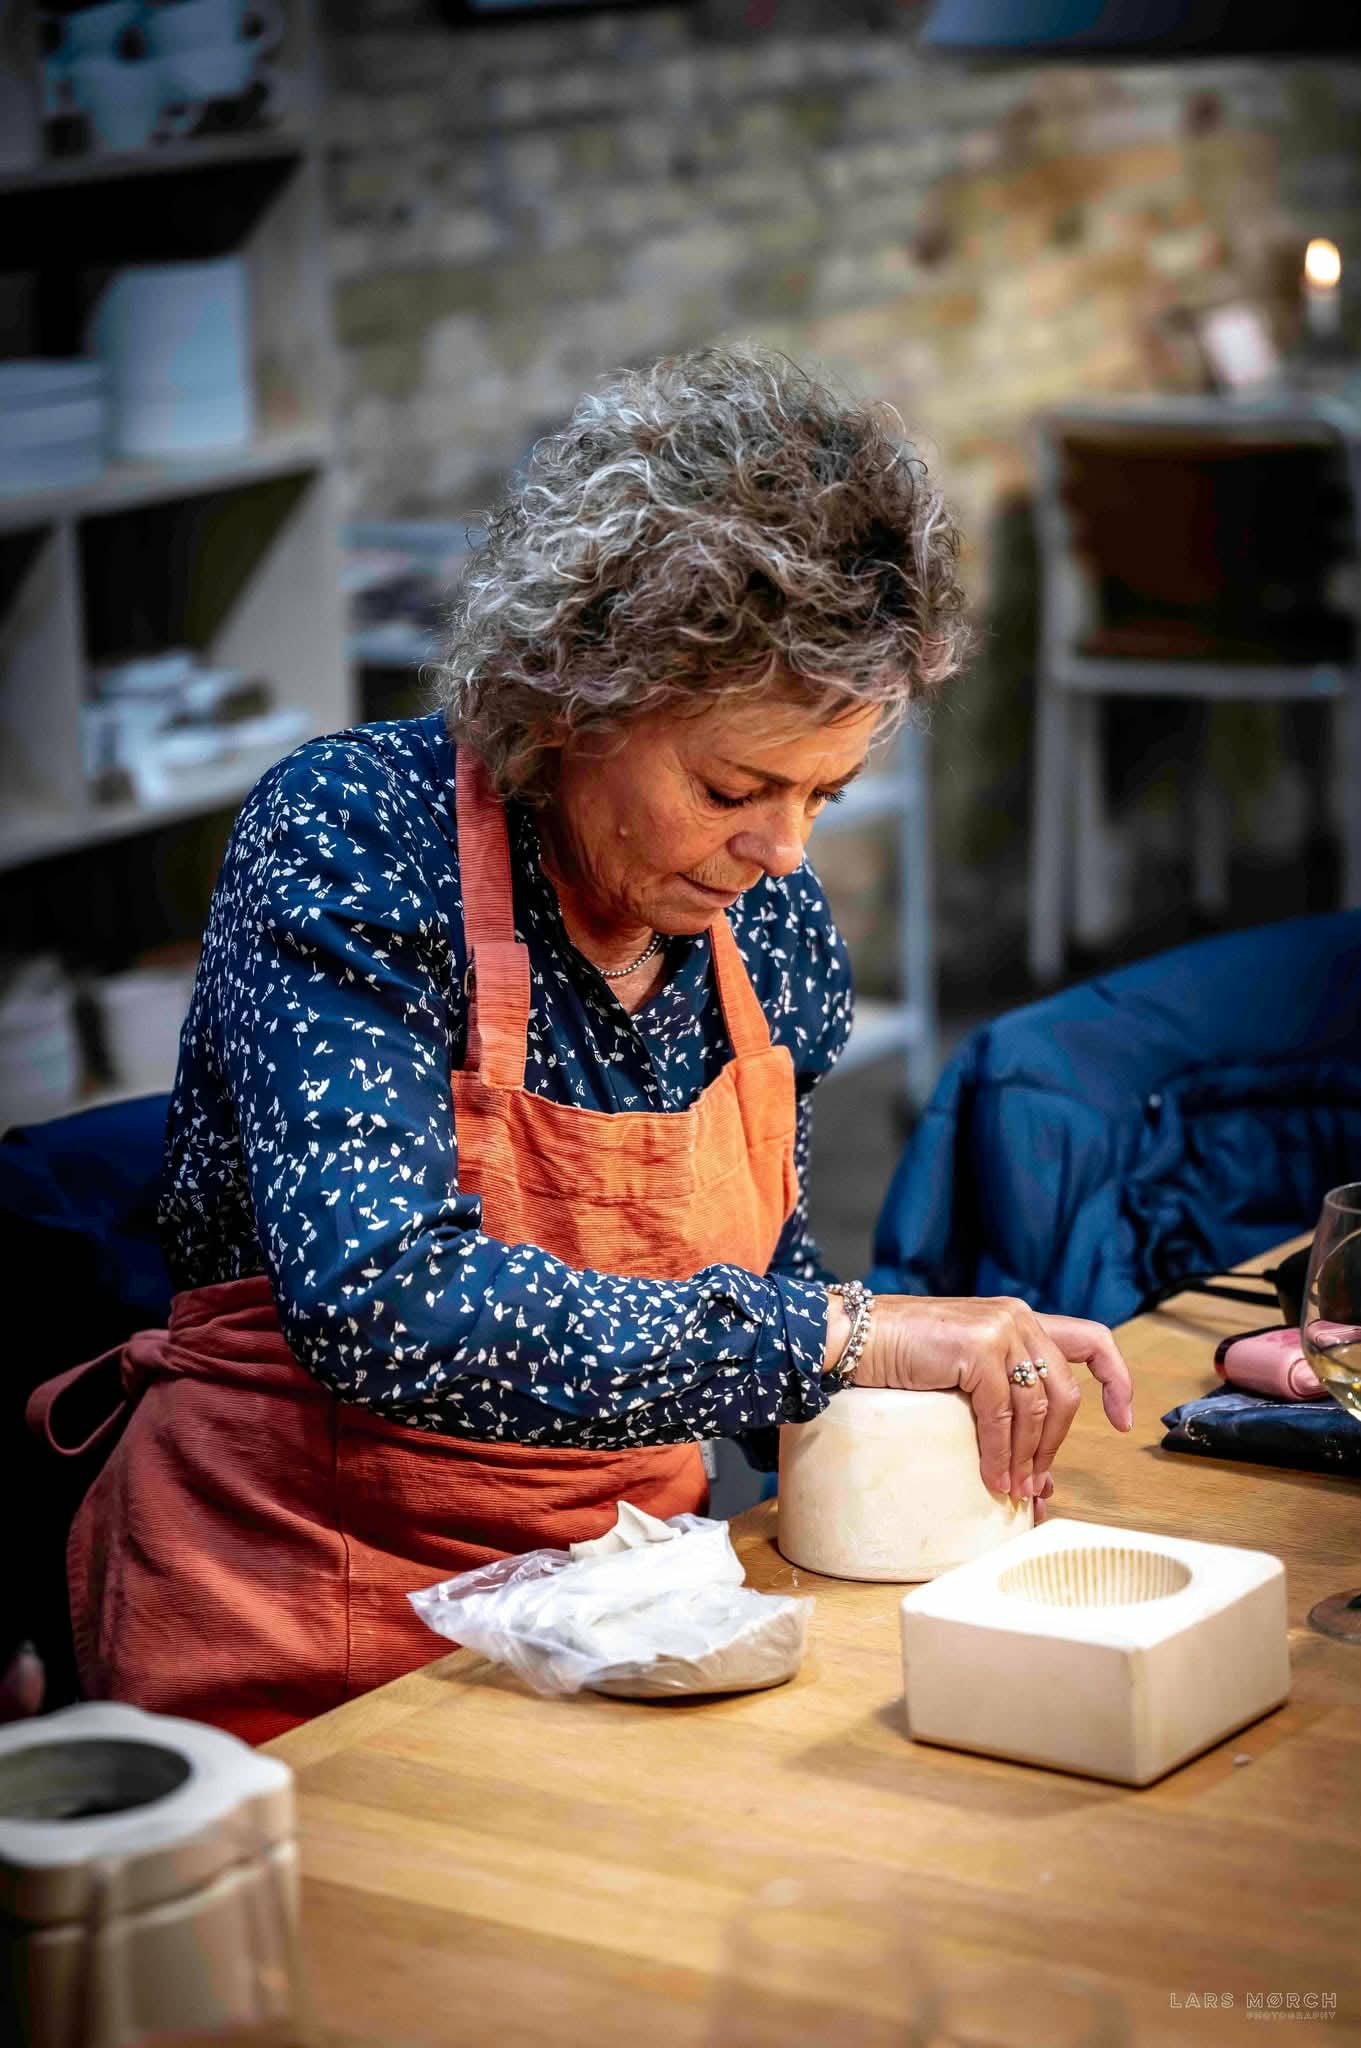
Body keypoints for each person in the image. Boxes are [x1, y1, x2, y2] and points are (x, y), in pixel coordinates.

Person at [46, 345, 1132, 1741]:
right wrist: (848, 1337)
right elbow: (379, 1303)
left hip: (624, 1620)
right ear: (573, 699)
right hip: (300, 1623)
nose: (781, 848)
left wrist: (923, 1439)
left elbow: (754, 1296)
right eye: (732, 786)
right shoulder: (357, 844)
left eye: (827, 790)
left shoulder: (772, 930)